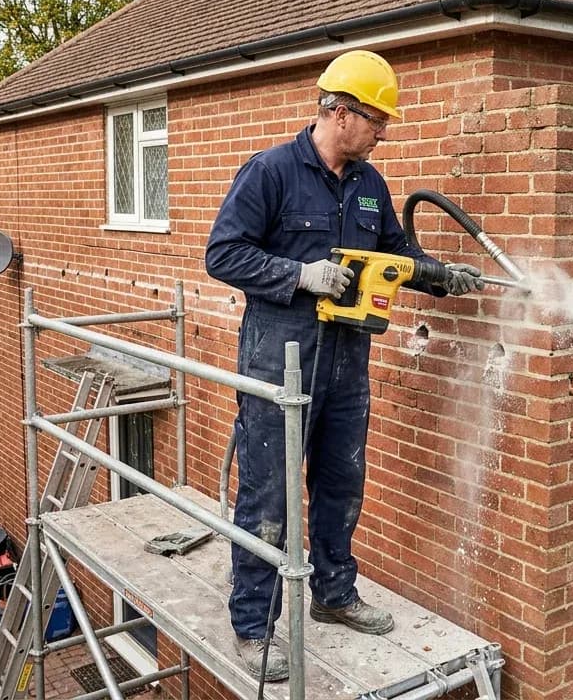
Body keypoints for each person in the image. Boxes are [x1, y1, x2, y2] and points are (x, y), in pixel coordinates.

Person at [204, 49, 483, 681]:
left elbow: (396, 250)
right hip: (279, 365)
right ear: (340, 111)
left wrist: (443, 277)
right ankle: (254, 626)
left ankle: (332, 594)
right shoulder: (271, 172)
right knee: (268, 497)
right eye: (377, 120)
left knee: (339, 486)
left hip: (347, 364)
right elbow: (223, 254)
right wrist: (298, 275)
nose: (383, 133)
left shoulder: (369, 184)